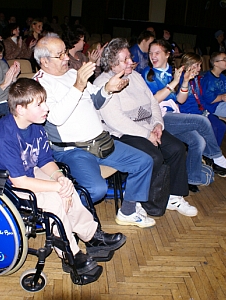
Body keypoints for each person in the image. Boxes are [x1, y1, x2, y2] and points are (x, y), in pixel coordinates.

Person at [0, 77, 126, 284]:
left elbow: (45, 160)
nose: (47, 108)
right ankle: (71, 254)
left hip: (26, 172)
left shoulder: (37, 125)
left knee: (69, 187)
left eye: (45, 102)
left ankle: (92, 236)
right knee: (55, 202)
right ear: (20, 109)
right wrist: (57, 188)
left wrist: (60, 179)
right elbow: (20, 182)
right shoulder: (2, 138)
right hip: (3, 185)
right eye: (39, 104)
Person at [33, 33, 155, 228]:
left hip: (100, 142)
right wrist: (78, 85)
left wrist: (108, 88)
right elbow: (55, 117)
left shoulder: (72, 74)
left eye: (65, 52)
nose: (66, 57)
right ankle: (63, 215)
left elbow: (96, 101)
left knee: (143, 161)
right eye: (60, 55)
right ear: (44, 61)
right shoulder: (39, 84)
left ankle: (128, 211)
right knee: (96, 189)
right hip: (73, 150)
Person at [94, 38, 196, 217]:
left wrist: (158, 124)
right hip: (122, 133)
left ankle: (174, 195)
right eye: (124, 60)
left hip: (149, 126)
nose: (130, 62)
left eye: (130, 58)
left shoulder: (135, 76)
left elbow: (153, 102)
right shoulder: (103, 83)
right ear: (111, 63)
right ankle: (141, 200)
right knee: (153, 156)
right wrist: (146, 134)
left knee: (177, 148)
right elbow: (116, 120)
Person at [142, 40, 226, 190]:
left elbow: (180, 100)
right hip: (158, 117)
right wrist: (174, 82)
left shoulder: (173, 72)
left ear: (167, 55)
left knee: (198, 142)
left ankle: (192, 178)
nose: (152, 56)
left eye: (157, 53)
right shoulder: (148, 74)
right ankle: (217, 157)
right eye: (150, 53)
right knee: (202, 121)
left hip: (173, 115)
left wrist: (184, 83)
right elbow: (153, 100)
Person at [177, 53, 226, 147]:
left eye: (200, 65)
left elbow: (200, 98)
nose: (199, 68)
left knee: (221, 126)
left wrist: (206, 110)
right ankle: (208, 153)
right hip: (189, 113)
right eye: (196, 65)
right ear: (187, 66)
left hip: (201, 111)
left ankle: (213, 154)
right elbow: (183, 104)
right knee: (214, 128)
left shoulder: (196, 79)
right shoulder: (182, 80)